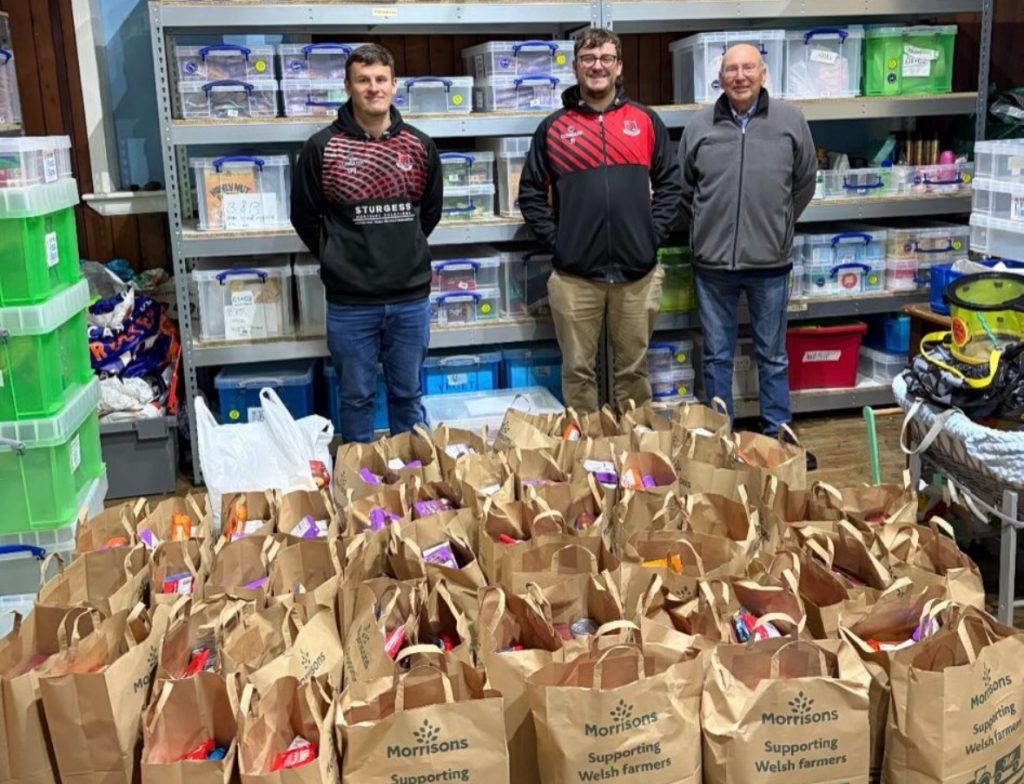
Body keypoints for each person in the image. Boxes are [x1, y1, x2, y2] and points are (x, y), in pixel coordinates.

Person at [518, 27, 684, 413]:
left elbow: (670, 185)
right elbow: (530, 194)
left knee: (633, 371)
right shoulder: (554, 128)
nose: (597, 66)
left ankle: (634, 445)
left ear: (619, 66)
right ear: (575, 67)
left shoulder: (644, 121)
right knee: (578, 371)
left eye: (606, 58)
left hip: (638, 275)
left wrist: (651, 236)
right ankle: (585, 446)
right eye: (588, 59)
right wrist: (560, 243)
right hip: (575, 277)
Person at [291, 44, 443, 443]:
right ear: (348, 86)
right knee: (356, 399)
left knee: (407, 396)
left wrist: (402, 249)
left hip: (410, 299)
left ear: (394, 85)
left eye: (380, 79)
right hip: (351, 303)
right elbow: (304, 216)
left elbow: (429, 213)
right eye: (363, 80)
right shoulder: (322, 148)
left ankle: (409, 474)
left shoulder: (420, 146)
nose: (373, 88)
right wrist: (336, 256)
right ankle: (359, 476)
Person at [678, 43, 817, 451]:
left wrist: (778, 224)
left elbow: (805, 182)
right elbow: (684, 189)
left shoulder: (791, 121)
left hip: (770, 263)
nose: (739, 76)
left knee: (772, 356)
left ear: (762, 74)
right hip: (712, 265)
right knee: (716, 356)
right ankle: (719, 440)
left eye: (748, 68)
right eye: (731, 70)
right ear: (719, 78)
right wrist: (705, 230)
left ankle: (778, 439)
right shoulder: (699, 126)